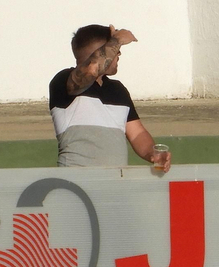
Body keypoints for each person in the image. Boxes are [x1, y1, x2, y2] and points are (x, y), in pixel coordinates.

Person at [48, 24, 171, 170]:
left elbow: (137, 133)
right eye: (115, 50)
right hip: (75, 184)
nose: (118, 54)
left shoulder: (117, 89)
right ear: (97, 52)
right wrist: (117, 39)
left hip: (113, 185)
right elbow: (92, 69)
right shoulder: (64, 81)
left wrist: (152, 153)